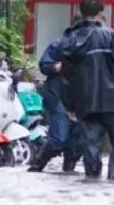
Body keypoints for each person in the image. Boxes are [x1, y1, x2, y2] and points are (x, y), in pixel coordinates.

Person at [60, 0, 114, 180]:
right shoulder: (111, 36)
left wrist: (70, 105)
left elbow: (66, 77)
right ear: (101, 14)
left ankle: (92, 179)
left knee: (91, 146)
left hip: (86, 104)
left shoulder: (70, 41)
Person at [28, 15, 83, 172]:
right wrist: (58, 67)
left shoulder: (90, 46)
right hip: (57, 94)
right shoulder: (59, 44)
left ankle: (68, 170)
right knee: (59, 138)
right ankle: (37, 164)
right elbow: (44, 65)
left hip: (78, 99)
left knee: (76, 143)